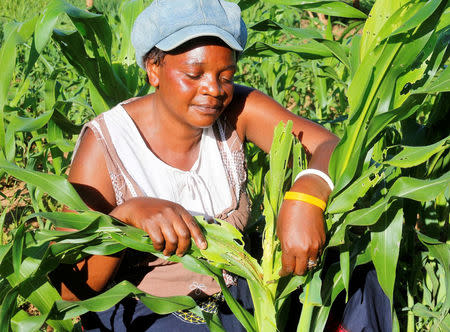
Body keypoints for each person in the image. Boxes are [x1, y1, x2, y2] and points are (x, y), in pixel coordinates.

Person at [59, 0, 340, 330]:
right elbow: (70, 288)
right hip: (150, 312)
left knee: (353, 273)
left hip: (237, 295)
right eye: (194, 74)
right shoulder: (106, 144)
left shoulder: (237, 110)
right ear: (153, 69)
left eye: (226, 76)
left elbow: (328, 145)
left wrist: (308, 193)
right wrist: (126, 217)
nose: (214, 91)